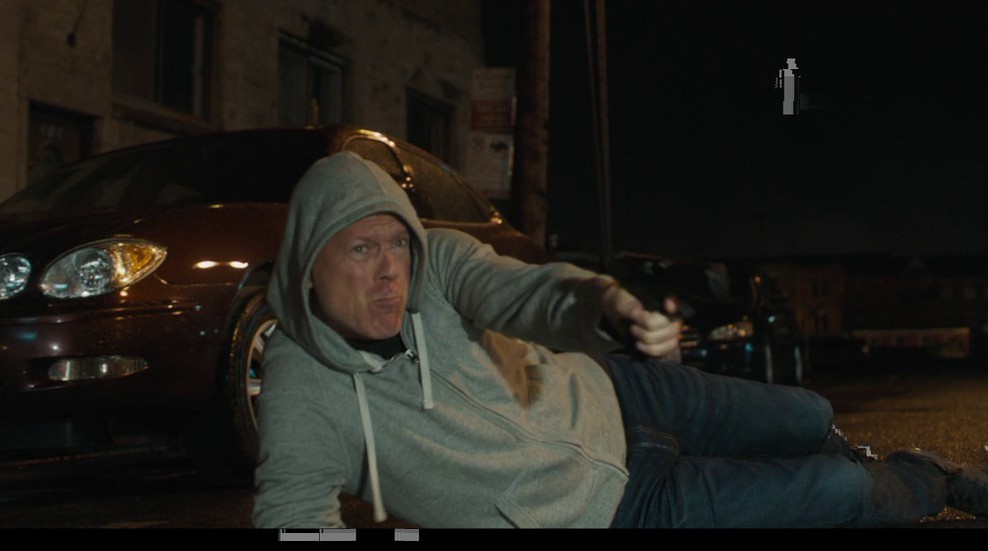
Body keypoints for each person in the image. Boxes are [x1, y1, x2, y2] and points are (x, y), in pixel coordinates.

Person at [252, 151, 987, 529]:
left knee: (805, 414)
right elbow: (293, 513)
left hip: (621, 393)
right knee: (838, 492)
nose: (390, 271)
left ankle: (854, 450)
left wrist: (604, 307)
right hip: (613, 507)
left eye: (396, 244)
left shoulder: (436, 263)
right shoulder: (301, 384)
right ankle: (932, 477)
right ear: (309, 260)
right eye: (362, 250)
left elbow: (526, 292)